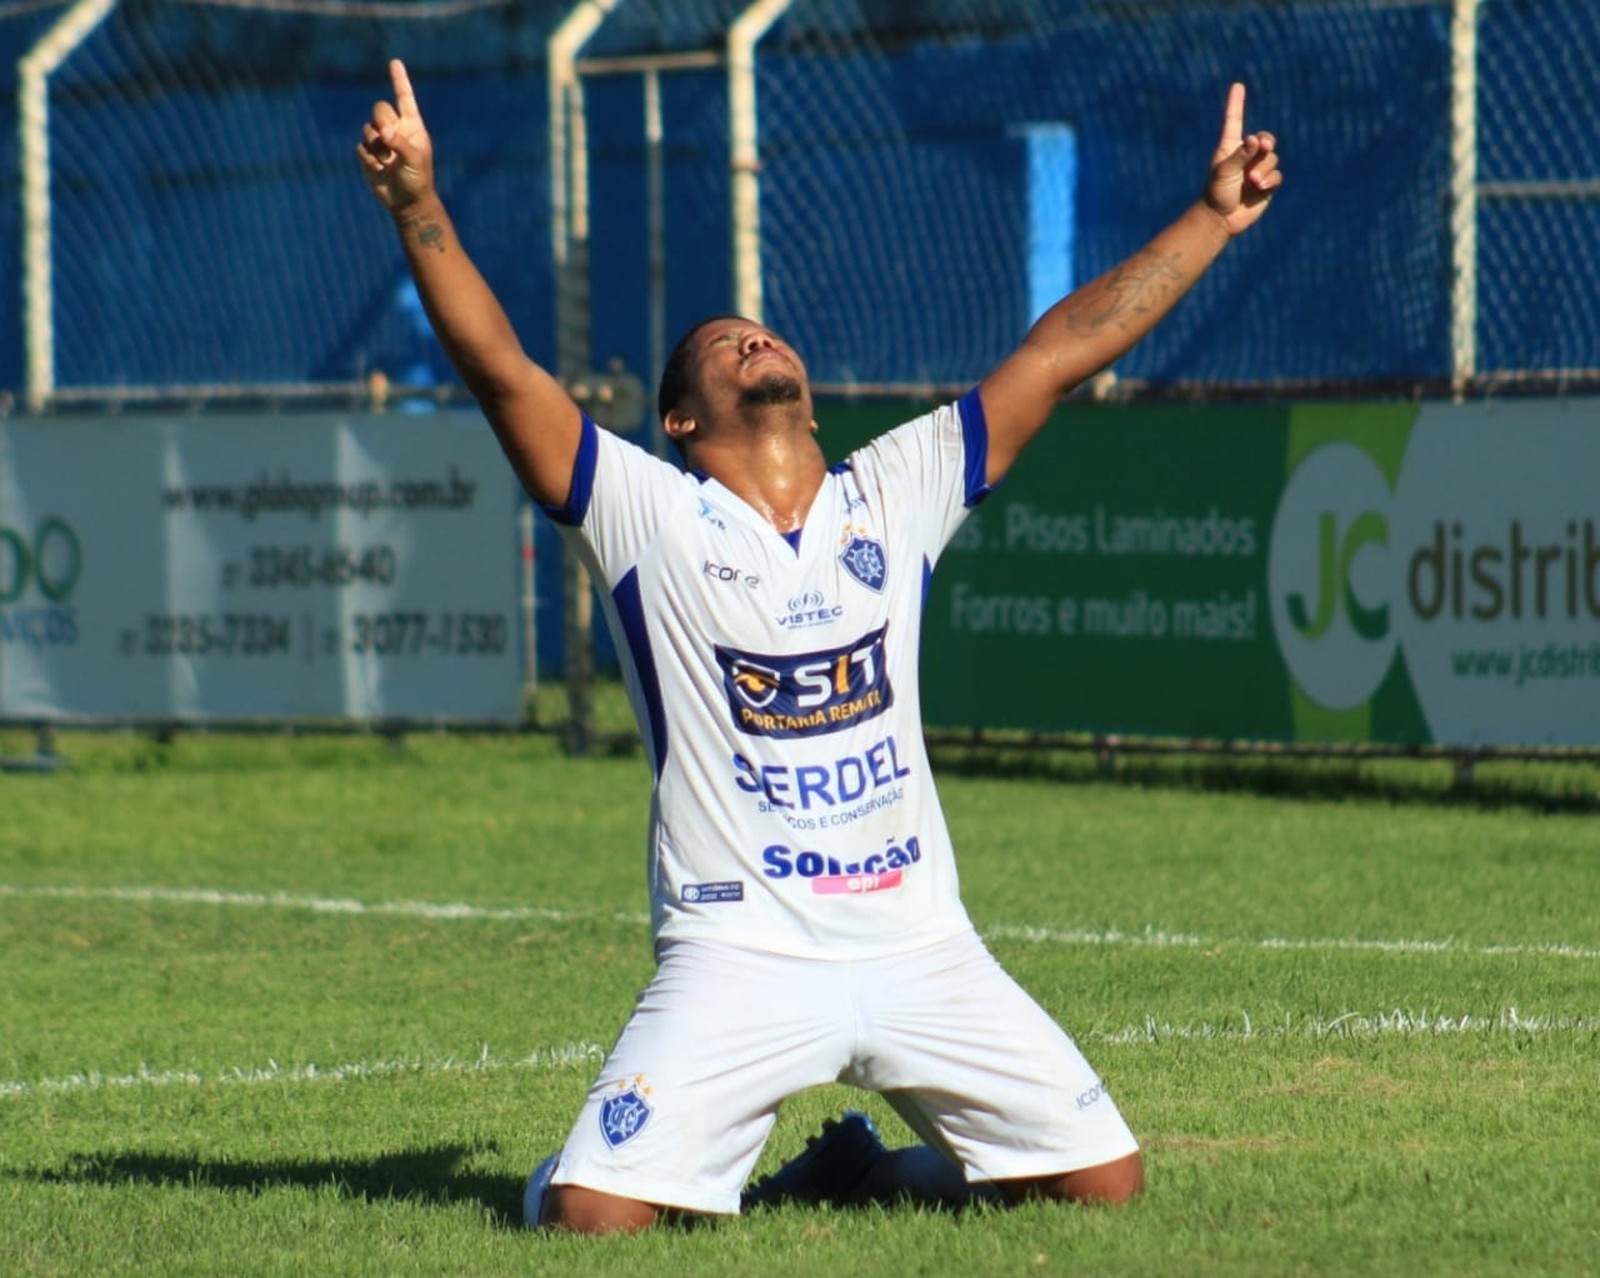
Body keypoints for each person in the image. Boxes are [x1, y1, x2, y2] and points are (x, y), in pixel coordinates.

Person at [358, 59, 1280, 1235]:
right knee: (593, 1218)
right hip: (738, 950)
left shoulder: (893, 489)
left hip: (919, 943)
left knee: (1103, 1181)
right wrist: (418, 207)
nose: (753, 340)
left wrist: (1209, 219)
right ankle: (553, 1177)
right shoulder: (645, 512)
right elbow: (500, 369)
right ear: (679, 421)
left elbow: (1059, 350)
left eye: (760, 331)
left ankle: (864, 1174)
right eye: (722, 344)